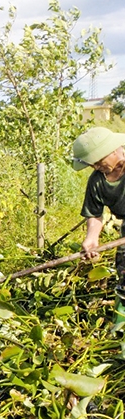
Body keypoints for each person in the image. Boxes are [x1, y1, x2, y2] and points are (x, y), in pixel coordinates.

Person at [72, 127, 125, 323]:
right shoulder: (97, 181)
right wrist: (91, 239)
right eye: (92, 163)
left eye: (98, 161)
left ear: (112, 151)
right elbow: (94, 214)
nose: (95, 166)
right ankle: (120, 332)